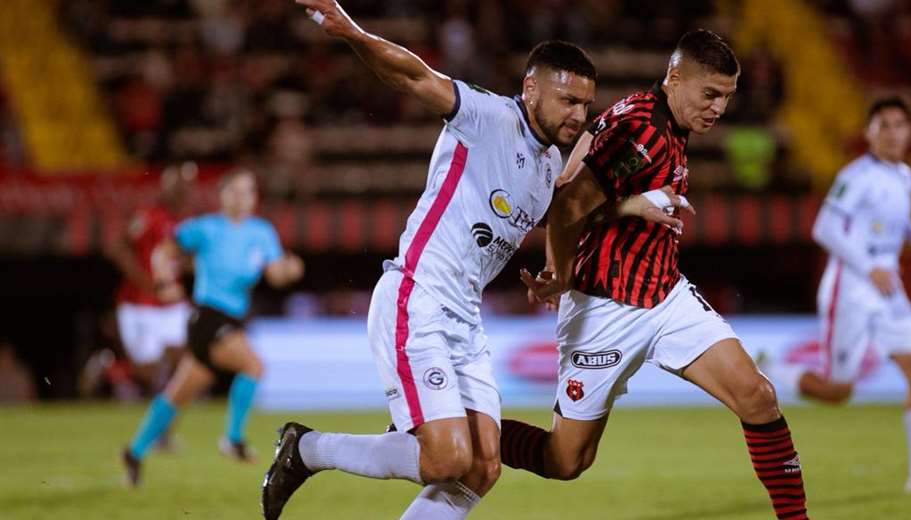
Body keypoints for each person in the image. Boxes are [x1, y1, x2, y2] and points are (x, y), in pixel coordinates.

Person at [262, 2, 679, 519]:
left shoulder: (549, 162)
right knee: (447, 458)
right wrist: (352, 32)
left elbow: (559, 213)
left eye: (586, 105)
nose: (578, 115)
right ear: (531, 89)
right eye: (568, 100)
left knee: (483, 468)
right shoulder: (487, 116)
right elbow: (414, 76)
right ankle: (305, 449)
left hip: (464, 319)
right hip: (417, 298)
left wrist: (629, 206)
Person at [501, 30, 809, 520]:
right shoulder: (643, 132)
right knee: (566, 460)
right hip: (605, 307)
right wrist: (558, 272)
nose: (718, 109)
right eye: (710, 94)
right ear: (674, 77)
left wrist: (629, 207)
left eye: (727, 98)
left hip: (665, 297)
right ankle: (462, 428)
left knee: (758, 396)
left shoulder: (646, 115)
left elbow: (576, 174)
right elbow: (566, 205)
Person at [765, 96, 911, 494]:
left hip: (888, 289)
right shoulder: (856, 176)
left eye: (899, 125)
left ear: (909, 132)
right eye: (883, 125)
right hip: (852, 288)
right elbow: (823, 228)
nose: (892, 133)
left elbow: (893, 221)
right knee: (839, 392)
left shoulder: (904, 176)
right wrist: (868, 266)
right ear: (869, 133)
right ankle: (770, 371)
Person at [121, 169, 304, 487]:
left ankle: (134, 451)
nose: (241, 197)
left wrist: (290, 269)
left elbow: (275, 275)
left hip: (231, 320)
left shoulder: (261, 232)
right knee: (254, 366)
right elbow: (162, 250)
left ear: (254, 197)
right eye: (234, 191)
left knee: (179, 393)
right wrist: (164, 281)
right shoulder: (205, 228)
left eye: (247, 191)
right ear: (222, 196)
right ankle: (232, 438)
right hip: (207, 317)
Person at [104, 162, 195, 394]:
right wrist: (143, 279)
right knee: (147, 372)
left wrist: (187, 265)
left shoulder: (188, 223)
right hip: (140, 301)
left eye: (183, 186)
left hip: (172, 302)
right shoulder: (148, 216)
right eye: (173, 185)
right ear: (163, 188)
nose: (178, 191)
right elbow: (116, 247)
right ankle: (111, 368)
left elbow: (187, 260)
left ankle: (170, 415)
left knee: (183, 361)